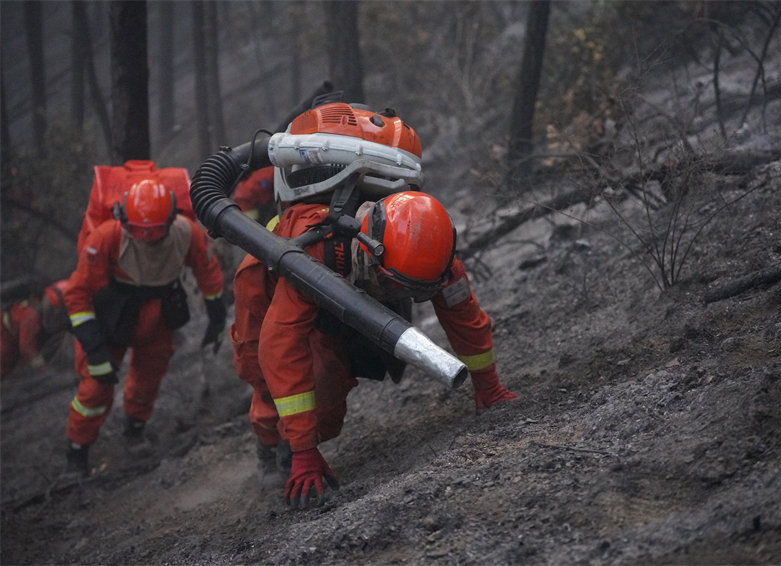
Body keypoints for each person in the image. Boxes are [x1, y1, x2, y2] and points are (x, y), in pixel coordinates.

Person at [230, 101, 516, 508]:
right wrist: (305, 453)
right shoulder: (317, 253)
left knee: (326, 399)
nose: (397, 295)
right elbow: (279, 348)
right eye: (390, 285)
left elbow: (466, 320)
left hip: (336, 289)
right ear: (370, 250)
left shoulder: (431, 250)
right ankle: (270, 445)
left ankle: (296, 440)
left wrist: (489, 388)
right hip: (271, 275)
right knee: (264, 374)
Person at [63, 178, 225, 476]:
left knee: (148, 377)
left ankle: (135, 430)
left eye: (154, 230)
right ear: (124, 220)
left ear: (171, 218)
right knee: (95, 387)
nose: (147, 237)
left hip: (159, 313)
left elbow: (206, 268)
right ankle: (77, 452)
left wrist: (216, 314)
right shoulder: (105, 238)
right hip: (111, 316)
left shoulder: (185, 234)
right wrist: (94, 348)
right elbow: (77, 292)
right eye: (139, 230)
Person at [1, 279, 70, 379]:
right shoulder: (31, 315)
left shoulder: (40, 301)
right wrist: (45, 370)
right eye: (55, 310)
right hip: (5, 338)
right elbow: (27, 347)